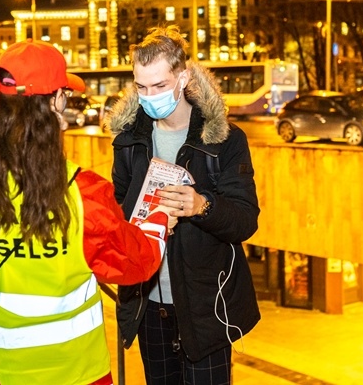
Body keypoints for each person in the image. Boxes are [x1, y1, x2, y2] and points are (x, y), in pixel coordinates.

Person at [0, 39, 169, 384]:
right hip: (72, 372)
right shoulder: (82, 192)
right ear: (57, 103)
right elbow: (138, 262)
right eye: (64, 93)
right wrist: (161, 216)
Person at [106, 25, 261, 385]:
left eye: (159, 86)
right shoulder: (129, 141)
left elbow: (245, 219)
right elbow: (118, 207)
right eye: (141, 87)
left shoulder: (224, 138)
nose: (150, 96)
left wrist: (202, 206)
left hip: (205, 308)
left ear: (183, 78)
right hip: (149, 305)